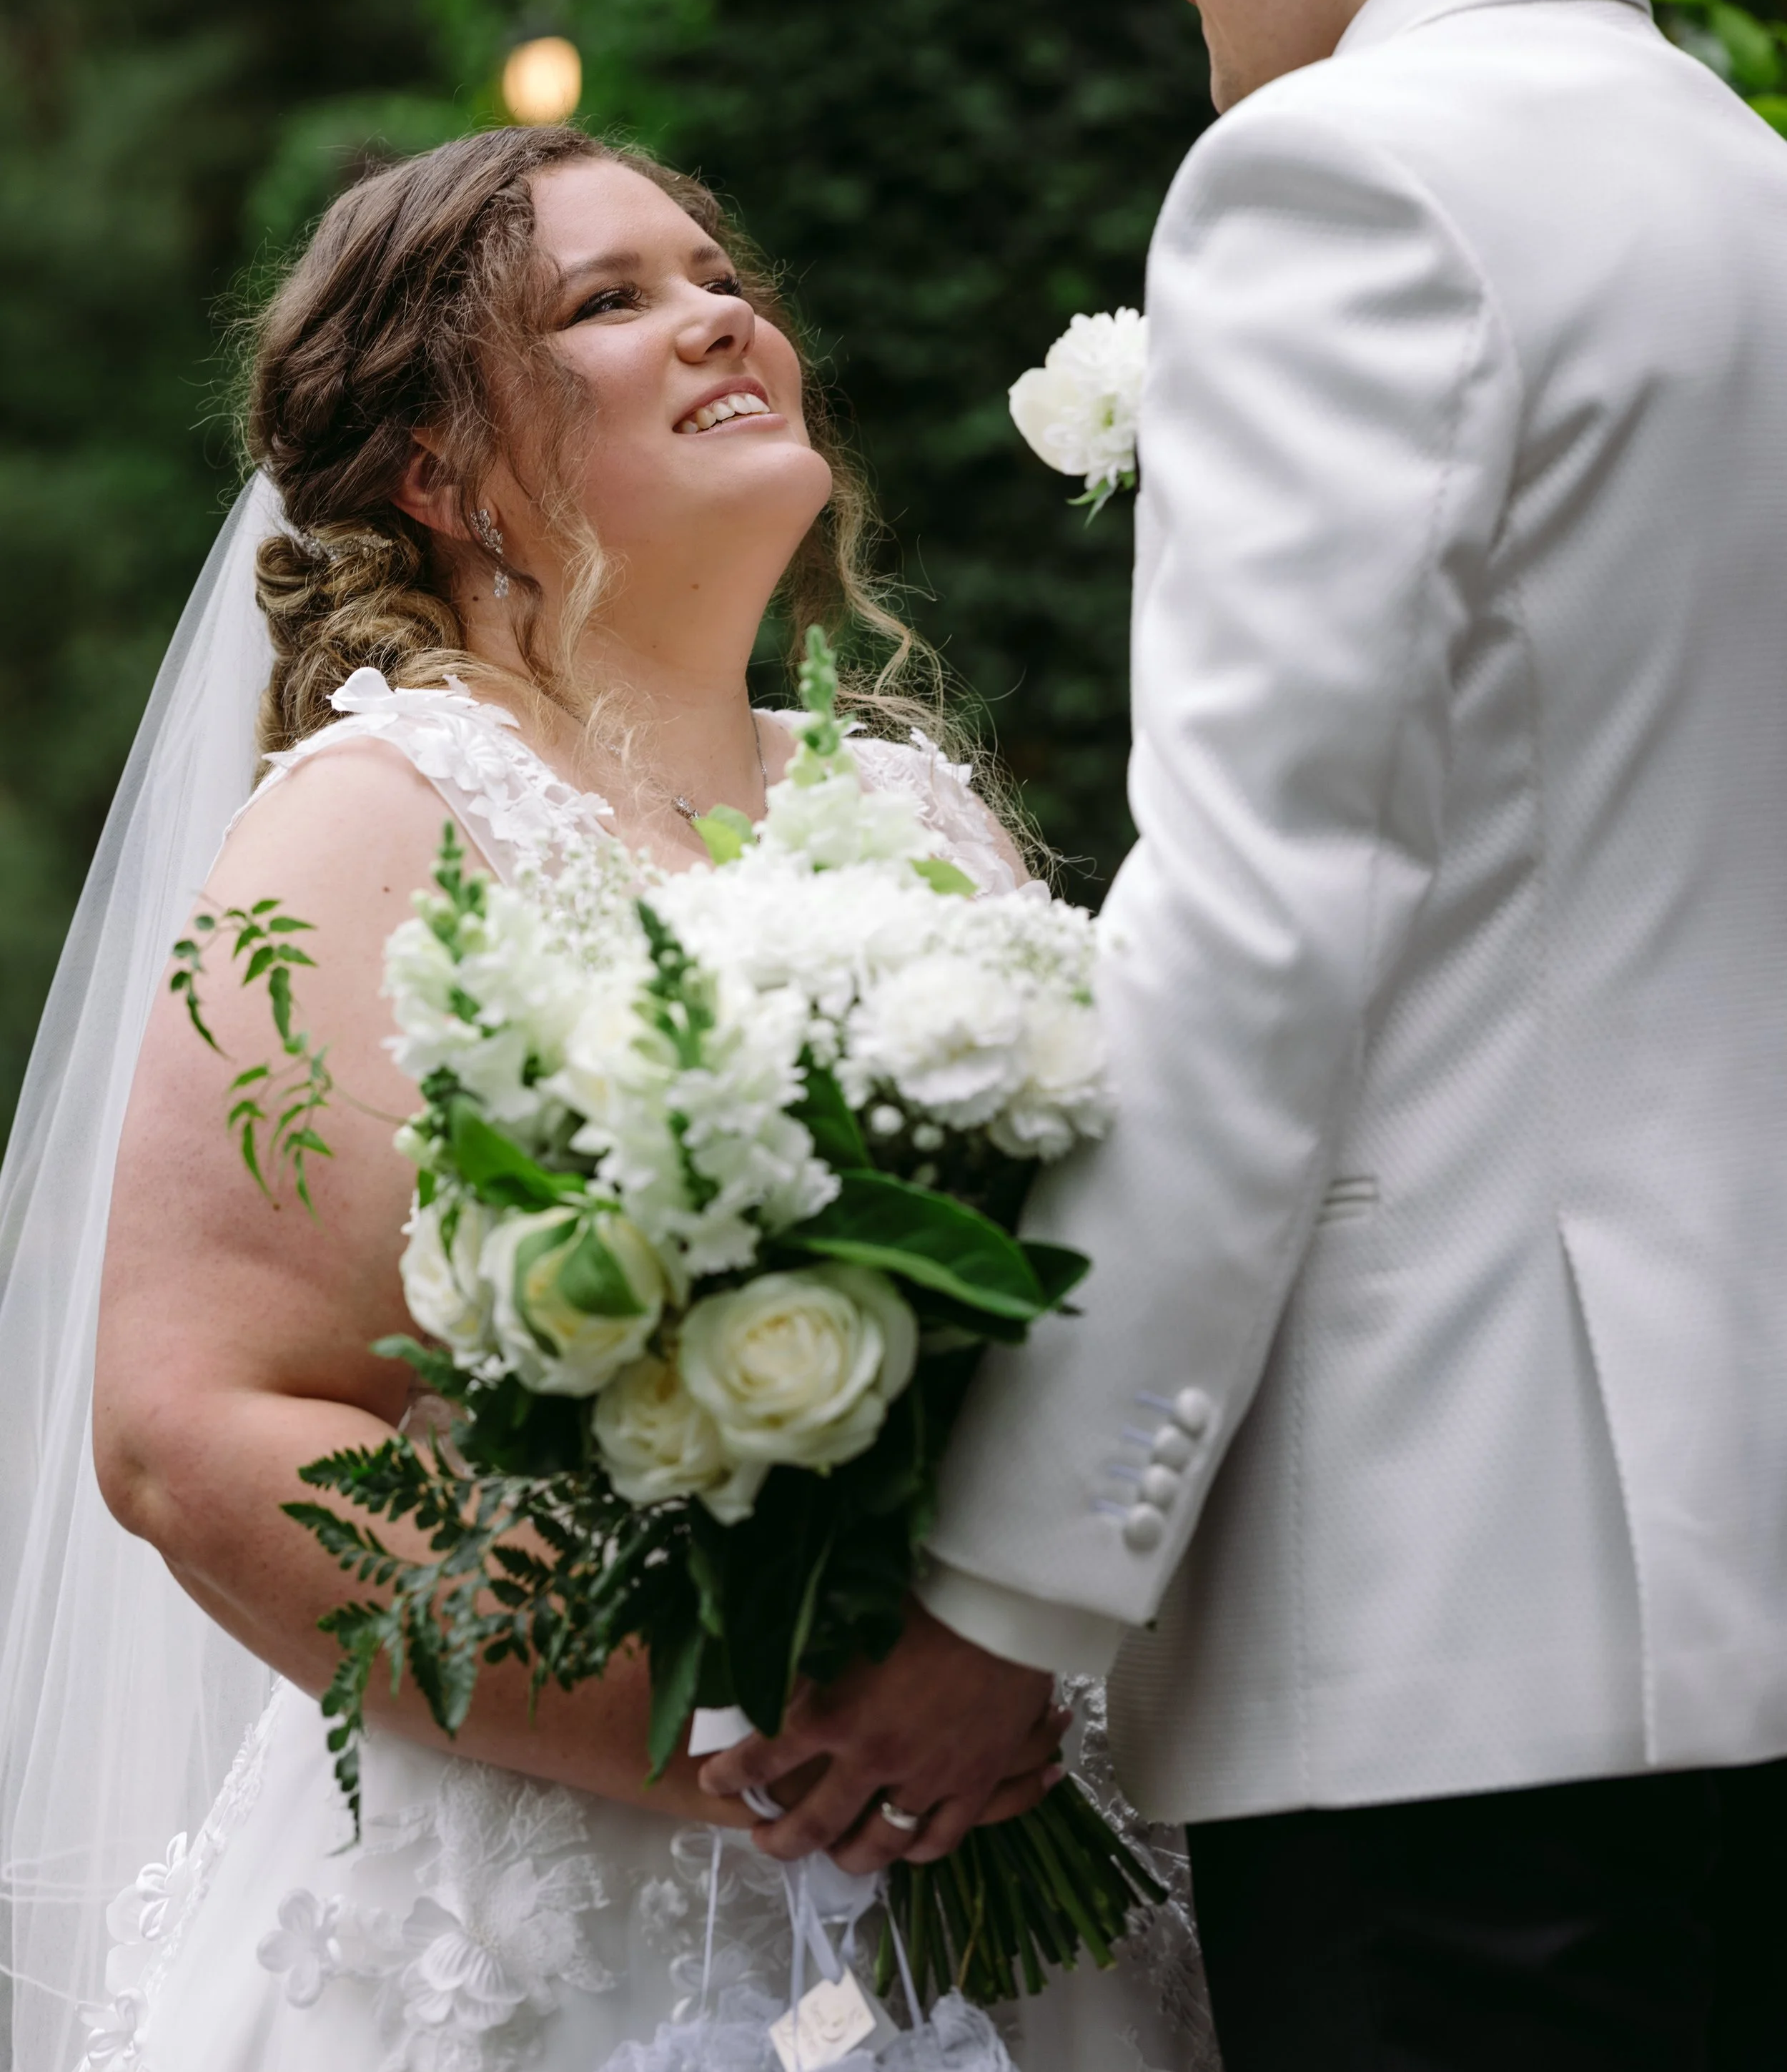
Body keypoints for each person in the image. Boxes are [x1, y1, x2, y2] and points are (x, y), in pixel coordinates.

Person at [700, 0, 1787, 2070]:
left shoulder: (1340, 190)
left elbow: (1261, 919)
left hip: (1459, 1649)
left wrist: (1012, 1602)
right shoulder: (1738, 182)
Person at [0, 128, 1202, 2070]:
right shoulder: (374, 821)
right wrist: (741, 1720)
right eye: (606, 299)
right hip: (577, 1920)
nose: (720, 312)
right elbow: (184, 1427)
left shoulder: (914, 811)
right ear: (437, 468)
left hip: (1010, 1833)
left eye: (718, 272)